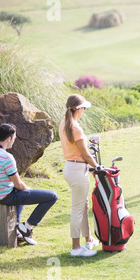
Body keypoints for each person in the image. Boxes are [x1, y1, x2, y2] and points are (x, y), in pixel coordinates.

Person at [0, 123, 58, 245]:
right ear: (9, 138)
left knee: (21, 194)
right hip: (5, 196)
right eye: (14, 138)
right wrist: (28, 189)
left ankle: (17, 229)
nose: (14, 141)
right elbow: (19, 185)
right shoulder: (7, 158)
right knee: (52, 196)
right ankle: (26, 227)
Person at [59, 94, 101, 257]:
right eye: (83, 108)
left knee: (83, 205)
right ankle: (75, 248)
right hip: (77, 171)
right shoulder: (75, 128)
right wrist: (97, 167)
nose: (84, 111)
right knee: (78, 209)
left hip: (72, 168)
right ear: (78, 109)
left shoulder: (64, 124)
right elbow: (85, 155)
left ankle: (88, 239)